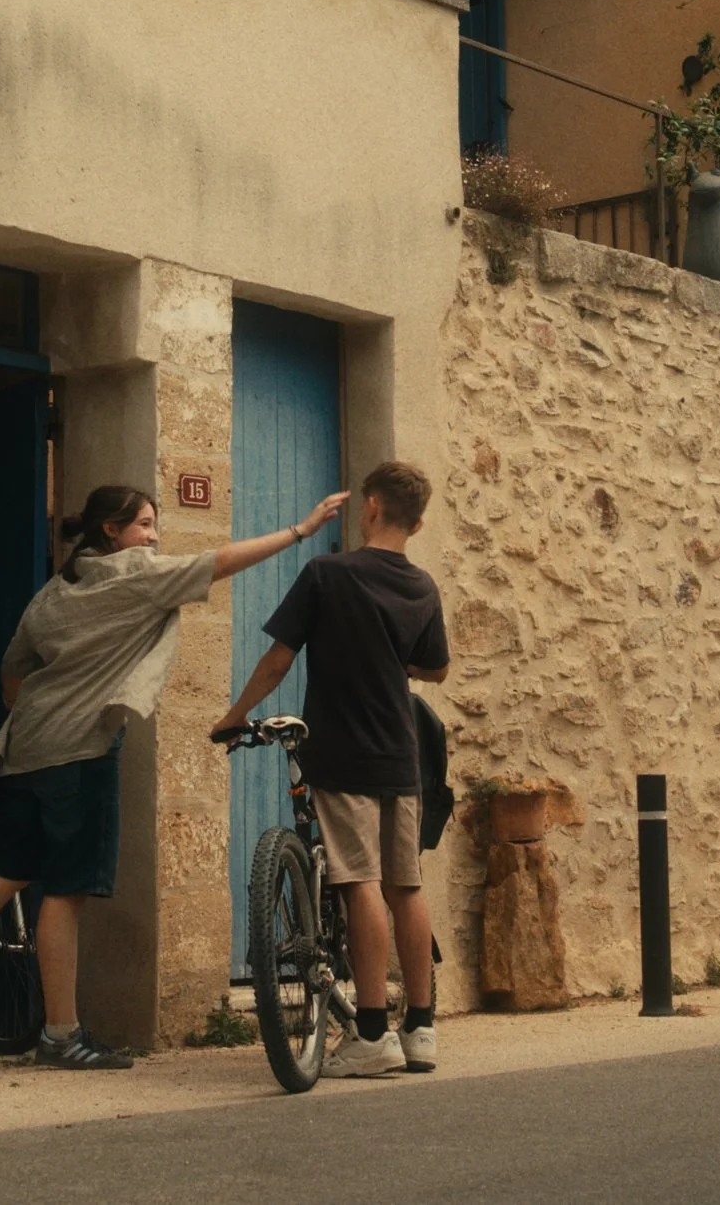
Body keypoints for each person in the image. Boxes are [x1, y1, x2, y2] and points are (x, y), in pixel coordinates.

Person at [0, 480, 350, 1069]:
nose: (153, 535)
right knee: (64, 893)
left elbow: (12, 674)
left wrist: (43, 707)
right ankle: (60, 1036)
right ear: (111, 532)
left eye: (155, 524)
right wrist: (299, 530)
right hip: (81, 750)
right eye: (144, 524)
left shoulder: (53, 592)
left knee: (6, 871)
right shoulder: (138, 574)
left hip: (23, 749)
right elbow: (218, 563)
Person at [212, 460, 449, 1079]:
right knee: (406, 885)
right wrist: (393, 662)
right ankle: (420, 1029)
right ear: (417, 521)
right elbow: (436, 668)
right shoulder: (423, 587)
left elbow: (278, 660)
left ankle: (371, 1032)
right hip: (401, 753)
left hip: (342, 751)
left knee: (360, 880)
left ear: (369, 506)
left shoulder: (328, 574)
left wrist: (235, 716)